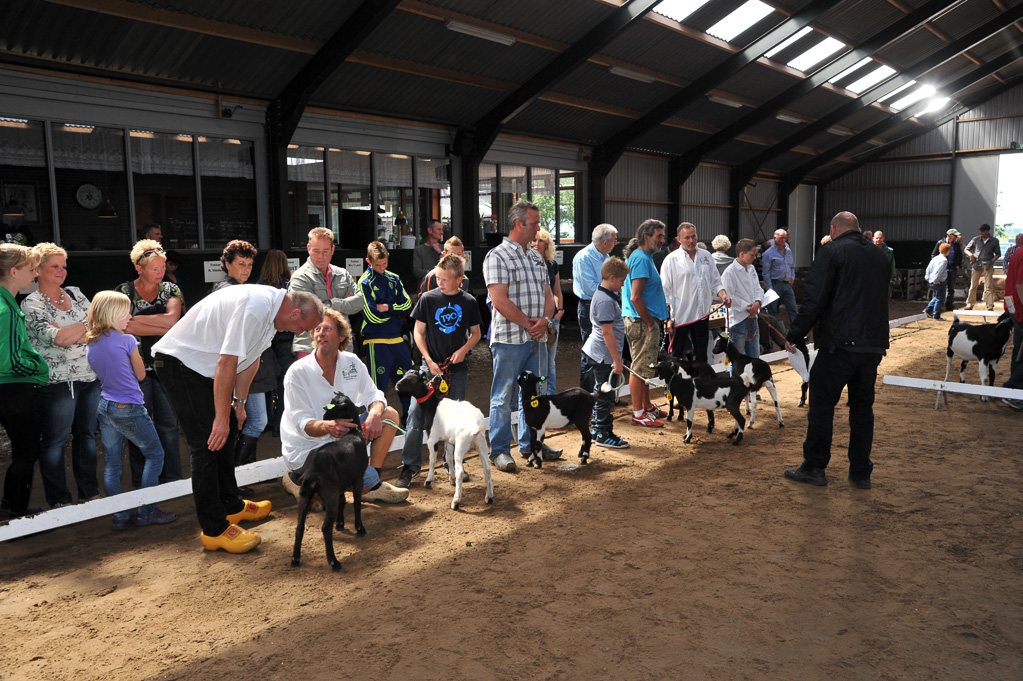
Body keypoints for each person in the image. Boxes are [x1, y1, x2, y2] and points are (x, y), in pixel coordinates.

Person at [153, 286, 323, 553]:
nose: (299, 333)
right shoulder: (256, 307)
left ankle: (231, 505)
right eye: (303, 326)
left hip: (202, 369)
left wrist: (239, 404)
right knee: (208, 443)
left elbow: (252, 359)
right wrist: (220, 417)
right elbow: (226, 362)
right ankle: (214, 529)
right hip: (180, 364)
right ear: (295, 312)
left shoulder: (272, 313)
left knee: (228, 430)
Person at [783, 211, 889, 489]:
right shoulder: (880, 255)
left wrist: (794, 333)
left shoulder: (831, 251)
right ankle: (861, 471)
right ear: (858, 228)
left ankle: (815, 466)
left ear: (834, 228)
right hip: (873, 343)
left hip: (839, 343)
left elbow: (815, 299)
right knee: (863, 408)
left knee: (821, 406)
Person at [280, 309, 408, 504]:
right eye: (317, 329)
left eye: (327, 329)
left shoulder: (352, 362)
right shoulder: (297, 372)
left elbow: (374, 394)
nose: (320, 333)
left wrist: (374, 413)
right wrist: (329, 426)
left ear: (342, 336)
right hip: (307, 448)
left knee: (388, 414)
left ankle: (372, 482)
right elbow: (302, 424)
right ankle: (295, 479)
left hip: (341, 442)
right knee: (327, 498)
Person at [86, 292, 177, 530]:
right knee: (155, 455)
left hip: (105, 406)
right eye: (126, 311)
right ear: (113, 314)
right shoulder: (127, 340)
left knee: (112, 464)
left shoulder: (92, 341)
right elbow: (141, 375)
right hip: (129, 407)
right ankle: (147, 511)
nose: (130, 316)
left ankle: (120, 516)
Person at [20, 243, 101, 508]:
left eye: (64, 266)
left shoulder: (75, 293)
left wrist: (70, 332)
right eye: (54, 266)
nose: (61, 271)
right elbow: (59, 339)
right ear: (38, 269)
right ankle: (59, 500)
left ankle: (89, 493)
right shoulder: (31, 303)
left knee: (86, 437)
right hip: (56, 383)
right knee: (54, 442)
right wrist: (83, 327)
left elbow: (100, 327)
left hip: (89, 377)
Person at [396, 253, 482, 488]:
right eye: (438, 278)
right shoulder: (427, 299)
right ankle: (410, 466)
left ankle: (452, 464)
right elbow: (418, 333)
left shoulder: (469, 302)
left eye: (445, 279)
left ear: (459, 280)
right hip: (428, 369)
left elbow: (476, 334)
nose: (439, 283)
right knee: (415, 415)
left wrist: (464, 350)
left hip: (458, 369)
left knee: (454, 420)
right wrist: (428, 360)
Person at [483, 199, 557, 473]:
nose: (538, 229)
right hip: (509, 340)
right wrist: (530, 324)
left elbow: (548, 296)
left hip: (535, 338)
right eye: (535, 223)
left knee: (536, 394)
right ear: (518, 224)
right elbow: (499, 301)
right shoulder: (497, 256)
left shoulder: (537, 257)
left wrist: (545, 320)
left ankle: (531, 444)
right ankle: (500, 451)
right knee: (503, 396)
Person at [209, 240, 279, 493]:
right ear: (227, 264)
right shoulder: (226, 291)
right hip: (238, 368)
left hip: (249, 368)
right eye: (241, 264)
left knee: (252, 421)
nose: (246, 269)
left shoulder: (240, 289)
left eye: (249, 265)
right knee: (255, 421)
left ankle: (244, 473)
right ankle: (237, 477)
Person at [115, 240, 184, 485]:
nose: (160, 272)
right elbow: (121, 325)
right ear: (139, 268)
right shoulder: (123, 292)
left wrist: (137, 322)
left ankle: (173, 479)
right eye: (154, 268)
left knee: (168, 424)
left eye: (162, 267)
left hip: (167, 368)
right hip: (134, 370)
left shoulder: (170, 289)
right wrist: (159, 323)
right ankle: (142, 481)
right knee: (139, 427)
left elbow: (172, 322)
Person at [0, 243, 48, 520]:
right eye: (31, 269)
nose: (35, 274)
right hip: (16, 389)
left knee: (26, 451)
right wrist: (39, 368)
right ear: (14, 271)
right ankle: (15, 511)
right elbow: (10, 361)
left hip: (12, 389)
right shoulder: (5, 309)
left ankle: (12, 505)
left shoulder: (7, 303)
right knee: (26, 452)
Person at [358, 241, 414, 425]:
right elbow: (371, 316)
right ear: (368, 261)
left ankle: (409, 421)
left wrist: (387, 307)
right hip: (376, 342)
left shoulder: (394, 278)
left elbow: (407, 306)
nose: (381, 268)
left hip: (397, 339)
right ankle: (377, 425)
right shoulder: (364, 282)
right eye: (377, 265)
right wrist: (394, 313)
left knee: (408, 381)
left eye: (384, 264)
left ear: (388, 257)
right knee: (377, 388)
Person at [661, 223, 731, 364]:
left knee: (701, 356)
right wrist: (667, 318)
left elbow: (716, 282)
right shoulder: (671, 260)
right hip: (680, 317)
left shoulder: (706, 256)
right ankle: (673, 386)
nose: (691, 240)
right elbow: (664, 292)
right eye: (687, 237)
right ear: (679, 239)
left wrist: (723, 294)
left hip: (702, 315)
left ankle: (700, 384)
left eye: (693, 236)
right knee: (676, 356)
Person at [289, 227, 364, 357]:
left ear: (332, 250)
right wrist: (344, 306)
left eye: (325, 251)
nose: (321, 257)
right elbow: (309, 312)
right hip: (310, 348)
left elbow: (360, 302)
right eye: (316, 251)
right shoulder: (300, 277)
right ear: (308, 249)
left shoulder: (343, 274)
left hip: (343, 347)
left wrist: (330, 304)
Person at [622, 219, 668, 428]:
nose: (662, 240)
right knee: (639, 368)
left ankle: (647, 406)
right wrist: (650, 322)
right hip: (641, 322)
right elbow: (635, 297)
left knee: (647, 365)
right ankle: (638, 412)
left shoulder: (644, 257)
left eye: (662, 236)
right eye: (658, 236)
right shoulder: (641, 259)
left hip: (644, 321)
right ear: (646, 236)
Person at [582, 257, 630, 449]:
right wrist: (616, 360)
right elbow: (607, 332)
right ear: (611, 278)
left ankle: (600, 429)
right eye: (621, 281)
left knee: (603, 392)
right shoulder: (604, 300)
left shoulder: (607, 296)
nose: (623, 284)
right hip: (602, 355)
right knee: (605, 394)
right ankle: (602, 433)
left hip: (603, 354)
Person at [572, 223, 617, 391]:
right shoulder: (584, 258)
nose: (615, 243)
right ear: (605, 242)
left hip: (605, 305)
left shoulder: (605, 257)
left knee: (607, 351)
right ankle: (587, 395)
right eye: (614, 240)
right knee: (591, 353)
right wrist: (612, 290)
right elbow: (589, 288)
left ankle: (606, 394)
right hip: (590, 306)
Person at [258, 249, 295, 437]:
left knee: (264, 381)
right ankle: (278, 423)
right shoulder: (288, 286)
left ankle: (263, 420)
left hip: (264, 341)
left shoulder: (259, 286)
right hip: (284, 340)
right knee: (284, 382)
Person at [532, 228, 565, 392]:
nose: (536, 244)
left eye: (541, 241)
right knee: (537, 362)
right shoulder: (528, 263)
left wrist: (560, 311)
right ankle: (539, 394)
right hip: (536, 321)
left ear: (547, 244)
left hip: (552, 321)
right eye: (534, 240)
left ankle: (550, 395)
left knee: (550, 362)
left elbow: (557, 290)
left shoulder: (552, 264)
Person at [721, 238, 766, 358]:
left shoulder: (751, 269)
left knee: (754, 356)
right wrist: (748, 307)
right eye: (752, 254)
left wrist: (758, 302)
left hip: (753, 317)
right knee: (737, 359)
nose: (754, 257)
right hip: (738, 320)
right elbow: (729, 296)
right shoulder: (730, 272)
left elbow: (758, 289)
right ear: (742, 254)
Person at [1001, 239, 1023, 410]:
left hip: (1014, 307)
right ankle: (1015, 390)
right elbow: (1020, 284)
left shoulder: (1018, 252)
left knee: (1019, 350)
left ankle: (1013, 387)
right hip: (1020, 310)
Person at [762, 228, 798, 322]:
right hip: (775, 284)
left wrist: (792, 277)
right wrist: (769, 288)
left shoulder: (788, 251)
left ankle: (797, 333)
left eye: (785, 238)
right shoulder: (768, 253)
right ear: (775, 238)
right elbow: (766, 272)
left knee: (793, 308)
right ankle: (775, 333)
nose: (783, 240)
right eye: (781, 238)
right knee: (773, 310)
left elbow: (792, 266)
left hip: (787, 284)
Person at [964, 224, 1001, 311]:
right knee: (973, 284)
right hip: (976, 263)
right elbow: (966, 249)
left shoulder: (994, 241)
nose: (981, 233)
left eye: (983, 231)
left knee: (988, 285)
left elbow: (998, 253)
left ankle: (989, 305)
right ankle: (969, 304)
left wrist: (992, 261)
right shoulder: (976, 239)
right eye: (980, 231)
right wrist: (971, 255)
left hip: (988, 264)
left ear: (988, 231)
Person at [932, 229, 963, 312]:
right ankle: (939, 305)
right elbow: (934, 254)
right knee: (940, 288)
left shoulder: (956, 244)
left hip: (952, 269)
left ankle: (949, 305)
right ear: (949, 235)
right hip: (942, 269)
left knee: (951, 288)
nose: (956, 237)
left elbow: (960, 255)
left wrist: (958, 264)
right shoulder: (940, 243)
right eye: (955, 236)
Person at [923, 243, 951, 321]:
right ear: (947, 251)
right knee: (940, 298)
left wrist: (928, 278)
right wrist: (936, 280)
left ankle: (928, 310)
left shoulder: (935, 258)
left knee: (937, 296)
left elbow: (928, 268)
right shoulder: (944, 260)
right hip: (939, 281)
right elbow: (939, 271)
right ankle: (936, 316)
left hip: (932, 280)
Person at [873, 231, 896, 297]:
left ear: (883, 239)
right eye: (877, 238)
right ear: (873, 238)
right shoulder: (867, 249)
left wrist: (891, 277)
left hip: (884, 277)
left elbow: (892, 265)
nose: (878, 240)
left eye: (880, 238)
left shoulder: (889, 251)